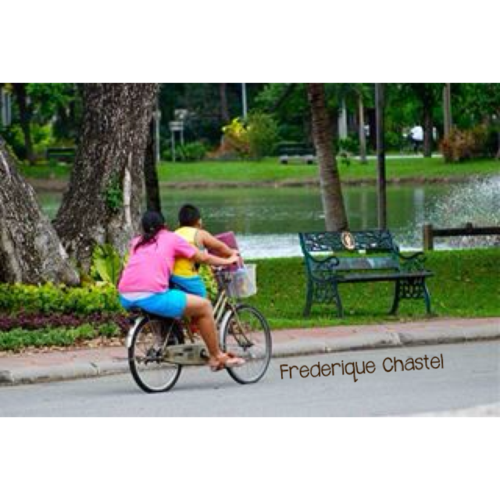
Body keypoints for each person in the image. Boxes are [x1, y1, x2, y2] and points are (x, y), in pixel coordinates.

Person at [118, 211, 244, 371]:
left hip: (126, 296)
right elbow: (203, 258)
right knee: (204, 306)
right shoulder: (171, 238)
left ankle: (172, 336)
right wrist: (228, 260)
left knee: (172, 303)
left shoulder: (136, 242)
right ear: (164, 225)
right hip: (152, 296)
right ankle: (216, 356)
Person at [171, 204, 238, 298]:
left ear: (179, 222)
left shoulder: (174, 234)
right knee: (204, 304)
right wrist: (233, 254)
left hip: (171, 276)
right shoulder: (199, 234)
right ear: (199, 221)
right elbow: (220, 247)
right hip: (187, 276)